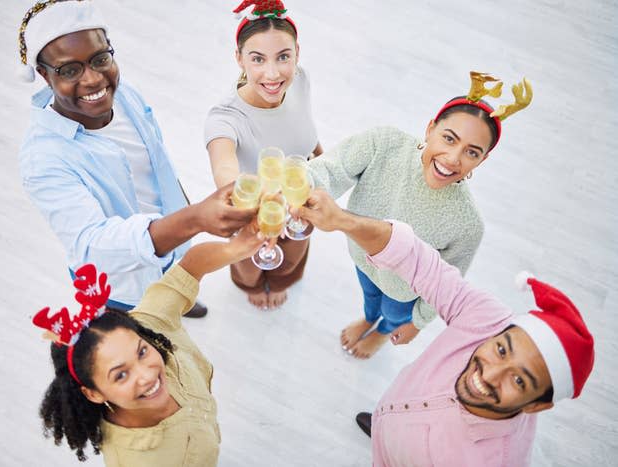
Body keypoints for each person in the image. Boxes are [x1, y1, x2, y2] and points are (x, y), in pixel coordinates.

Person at [293, 189, 595, 466]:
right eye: (502, 349)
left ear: (536, 407)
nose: (489, 374)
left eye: (518, 382)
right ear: (500, 332)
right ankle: (387, 425)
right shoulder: (489, 320)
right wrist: (342, 220)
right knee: (392, 424)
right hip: (395, 415)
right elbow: (417, 260)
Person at [18, 0, 256, 316]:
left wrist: (189, 209)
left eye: (100, 59)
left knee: (177, 288)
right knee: (148, 331)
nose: (92, 80)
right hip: (122, 287)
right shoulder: (43, 159)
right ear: (45, 76)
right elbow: (93, 245)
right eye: (70, 70)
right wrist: (195, 218)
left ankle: (181, 299)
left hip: (173, 245)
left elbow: (158, 164)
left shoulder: (125, 94)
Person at [308, 71, 533, 357]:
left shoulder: (468, 225)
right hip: (362, 258)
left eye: (472, 152)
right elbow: (332, 168)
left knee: (391, 313)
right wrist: (299, 182)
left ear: (482, 159)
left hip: (404, 294)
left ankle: (381, 330)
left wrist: (417, 323)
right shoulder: (384, 144)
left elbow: (445, 285)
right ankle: (368, 318)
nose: (453, 159)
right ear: (430, 129)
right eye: (449, 139)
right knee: (370, 298)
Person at [33, 223, 266, 465]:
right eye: (121, 374)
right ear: (94, 393)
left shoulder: (149, 326)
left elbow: (190, 267)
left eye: (142, 352)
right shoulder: (138, 461)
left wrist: (235, 249)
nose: (147, 375)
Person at [204, 0, 323, 310]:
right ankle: (252, 286)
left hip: (298, 201)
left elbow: (305, 133)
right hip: (252, 212)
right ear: (239, 59)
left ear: (297, 52)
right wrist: (250, 213)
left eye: (283, 57)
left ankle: (282, 281)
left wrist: (323, 164)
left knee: (294, 252)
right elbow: (225, 169)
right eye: (258, 59)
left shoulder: (300, 80)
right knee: (249, 260)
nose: (273, 74)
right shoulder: (224, 118)